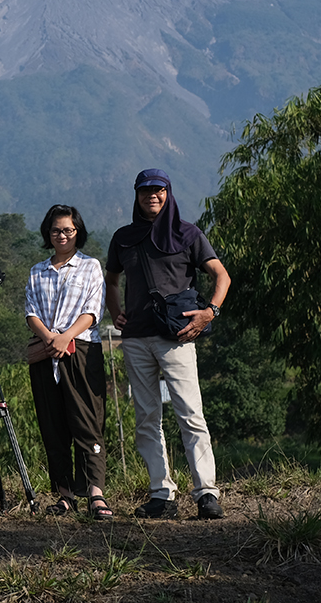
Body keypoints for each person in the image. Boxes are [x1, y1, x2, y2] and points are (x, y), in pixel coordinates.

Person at [103, 169, 231, 520]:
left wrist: (209, 312)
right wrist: (116, 312)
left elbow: (221, 275)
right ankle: (161, 494)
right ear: (137, 195)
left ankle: (206, 492)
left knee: (190, 413)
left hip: (177, 338)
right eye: (145, 191)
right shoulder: (124, 238)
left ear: (168, 193)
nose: (152, 196)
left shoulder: (188, 234)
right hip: (136, 338)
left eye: (158, 190)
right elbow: (111, 280)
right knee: (146, 417)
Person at [24, 204, 111, 519]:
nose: (62, 236)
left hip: (81, 350)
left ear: (78, 232)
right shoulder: (37, 270)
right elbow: (31, 311)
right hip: (46, 351)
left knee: (87, 422)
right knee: (53, 424)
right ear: (48, 234)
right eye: (56, 230)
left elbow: (93, 310)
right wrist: (50, 338)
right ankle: (64, 495)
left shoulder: (90, 266)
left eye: (68, 230)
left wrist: (66, 337)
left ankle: (95, 494)